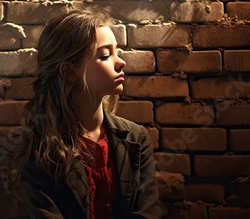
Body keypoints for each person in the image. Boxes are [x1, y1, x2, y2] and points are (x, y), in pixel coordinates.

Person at [13, 10, 162, 219]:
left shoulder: (136, 138)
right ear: (69, 71)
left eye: (117, 52)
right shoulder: (38, 147)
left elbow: (148, 213)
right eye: (105, 55)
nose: (121, 62)